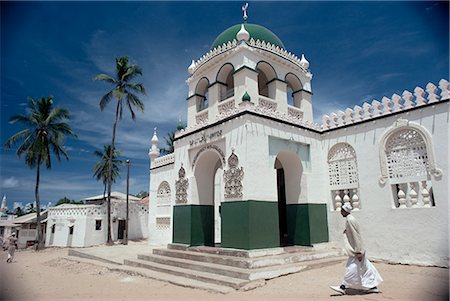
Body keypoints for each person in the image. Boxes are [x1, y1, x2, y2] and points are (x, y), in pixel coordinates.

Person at [330, 203, 383, 295]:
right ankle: (372, 286)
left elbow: (356, 236)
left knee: (352, 268)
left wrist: (359, 251)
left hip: (356, 251)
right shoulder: (350, 219)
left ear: (345, 211)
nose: (340, 212)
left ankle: (343, 286)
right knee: (365, 268)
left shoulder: (350, 220)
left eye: (342, 210)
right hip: (356, 250)